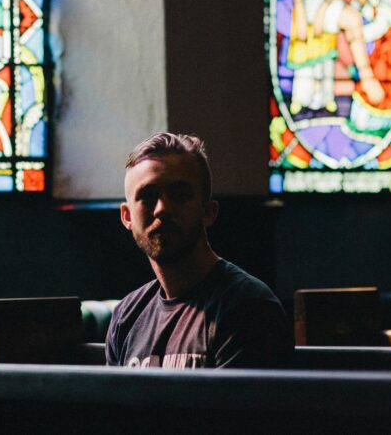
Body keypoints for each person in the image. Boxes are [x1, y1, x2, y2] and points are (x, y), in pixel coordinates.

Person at [106, 133, 292, 368]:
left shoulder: (249, 308)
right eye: (148, 196)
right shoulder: (126, 316)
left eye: (180, 196)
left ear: (208, 212)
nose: (162, 209)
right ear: (126, 216)